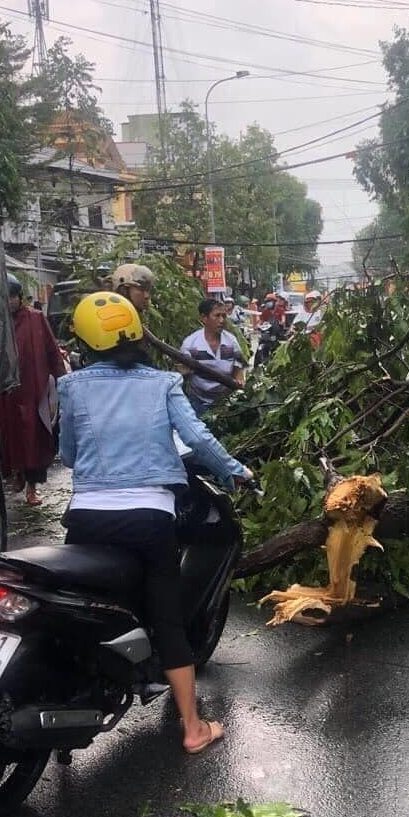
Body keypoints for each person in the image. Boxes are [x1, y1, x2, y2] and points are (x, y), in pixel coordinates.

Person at [57, 291, 253, 754]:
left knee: (77, 608)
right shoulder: (162, 382)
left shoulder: (73, 386)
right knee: (166, 616)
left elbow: (66, 452)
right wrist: (235, 470)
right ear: (136, 334)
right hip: (149, 518)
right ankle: (192, 728)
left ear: (86, 341)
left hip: (86, 517)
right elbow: (197, 438)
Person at [0, 275, 66, 506]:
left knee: (35, 439)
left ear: (20, 298)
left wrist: (63, 380)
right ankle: (17, 472)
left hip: (34, 391)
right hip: (7, 393)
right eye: (4, 299)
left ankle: (32, 488)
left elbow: (52, 350)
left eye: (12, 297)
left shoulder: (35, 319)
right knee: (11, 438)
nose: (9, 302)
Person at [180, 298, 246, 416]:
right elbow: (183, 375)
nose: (222, 320)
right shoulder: (190, 344)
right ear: (203, 318)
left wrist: (239, 382)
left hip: (226, 404)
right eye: (217, 316)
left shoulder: (231, 341)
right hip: (199, 403)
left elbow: (238, 368)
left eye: (224, 316)